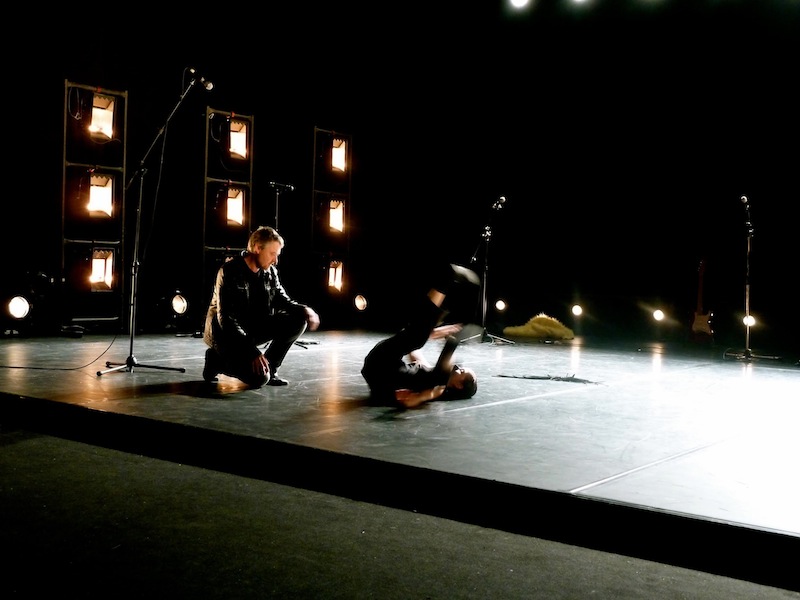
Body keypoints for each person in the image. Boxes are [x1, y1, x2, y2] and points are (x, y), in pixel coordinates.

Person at [203, 225, 320, 387]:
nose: (275, 260)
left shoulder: (270, 272)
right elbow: (226, 320)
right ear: (257, 248)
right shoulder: (229, 271)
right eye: (272, 254)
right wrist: (252, 352)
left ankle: (271, 367)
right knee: (259, 379)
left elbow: (282, 300)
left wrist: (305, 310)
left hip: (251, 328)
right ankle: (216, 361)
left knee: (298, 320)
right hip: (226, 336)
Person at [361, 264, 480, 409]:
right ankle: (444, 283)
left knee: (421, 341)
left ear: (459, 385)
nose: (459, 368)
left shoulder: (438, 387)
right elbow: (416, 355)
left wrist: (410, 399)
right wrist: (427, 332)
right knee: (418, 337)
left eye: (462, 372)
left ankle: (446, 280)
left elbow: (421, 396)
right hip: (378, 368)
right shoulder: (431, 378)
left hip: (379, 368)